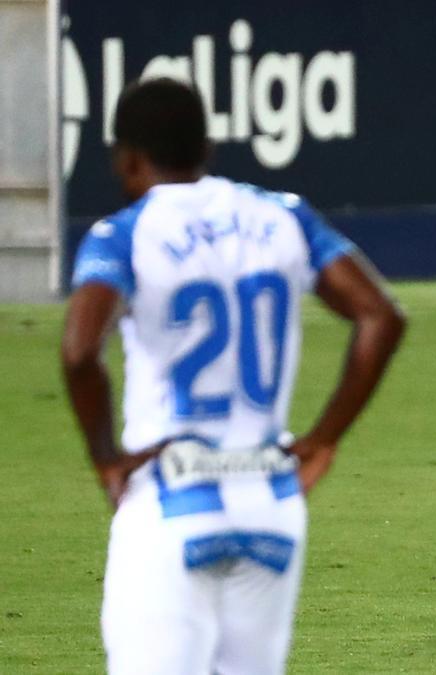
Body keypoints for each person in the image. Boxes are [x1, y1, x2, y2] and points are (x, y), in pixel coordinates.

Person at [61, 78, 405, 673]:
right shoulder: (284, 216)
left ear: (127, 157)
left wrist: (105, 457)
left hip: (171, 496)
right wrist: (323, 438)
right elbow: (380, 316)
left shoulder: (123, 234)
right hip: (269, 498)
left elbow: (78, 352)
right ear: (208, 147)